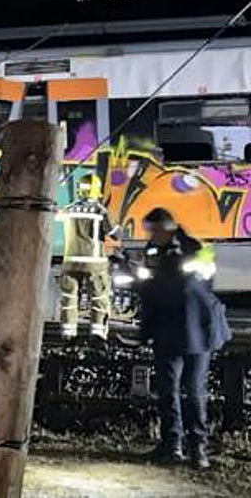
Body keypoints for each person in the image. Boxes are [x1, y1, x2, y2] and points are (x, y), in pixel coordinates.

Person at [138, 207, 231, 469]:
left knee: (193, 391)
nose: (151, 236)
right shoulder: (154, 250)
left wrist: (146, 286)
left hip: (195, 330)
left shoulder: (195, 249)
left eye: (153, 231)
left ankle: (196, 449)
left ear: (166, 228)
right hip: (173, 329)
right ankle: (173, 446)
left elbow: (184, 289)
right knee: (170, 390)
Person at [56, 174, 118, 340]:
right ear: (96, 191)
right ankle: (97, 333)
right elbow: (113, 234)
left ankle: (68, 333)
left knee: (69, 297)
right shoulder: (100, 210)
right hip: (95, 262)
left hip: (70, 262)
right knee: (99, 296)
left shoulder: (68, 208)